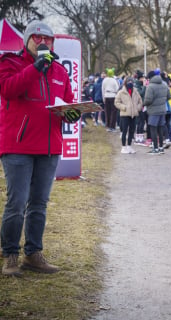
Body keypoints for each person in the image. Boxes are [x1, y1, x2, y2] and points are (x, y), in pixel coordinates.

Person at [0, 20, 81, 276]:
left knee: (39, 204)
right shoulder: (10, 63)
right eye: (37, 38)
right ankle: (10, 255)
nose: (43, 42)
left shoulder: (59, 70)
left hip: (49, 147)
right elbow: (8, 90)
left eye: (48, 38)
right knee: (17, 202)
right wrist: (36, 68)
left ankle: (33, 254)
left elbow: (68, 102)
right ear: (27, 41)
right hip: (18, 146)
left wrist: (71, 113)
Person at [144, 69, 171, 155]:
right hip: (162, 110)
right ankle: (161, 148)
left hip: (153, 111)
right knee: (160, 129)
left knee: (153, 129)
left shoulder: (150, 86)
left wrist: (143, 104)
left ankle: (155, 148)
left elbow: (148, 100)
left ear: (150, 78)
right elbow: (169, 96)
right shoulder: (164, 84)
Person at [114, 77, 143, 154]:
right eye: (128, 81)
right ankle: (123, 147)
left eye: (131, 81)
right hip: (125, 114)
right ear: (125, 82)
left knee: (132, 131)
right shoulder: (121, 92)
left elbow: (140, 101)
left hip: (133, 114)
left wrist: (138, 108)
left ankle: (129, 146)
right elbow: (116, 102)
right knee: (124, 131)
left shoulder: (136, 91)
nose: (130, 83)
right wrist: (124, 107)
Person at [102, 68, 119, 132]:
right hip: (113, 96)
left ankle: (108, 126)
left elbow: (102, 89)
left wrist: (103, 97)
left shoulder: (104, 80)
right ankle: (112, 126)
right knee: (113, 112)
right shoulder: (114, 80)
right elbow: (117, 89)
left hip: (106, 96)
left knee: (107, 112)